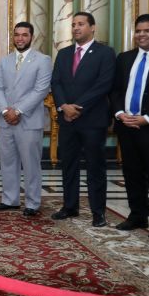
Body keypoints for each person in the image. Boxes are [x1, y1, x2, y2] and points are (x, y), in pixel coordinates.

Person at [111, 14, 149, 241]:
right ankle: (138, 215)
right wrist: (119, 113)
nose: (141, 35)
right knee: (132, 173)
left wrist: (147, 118)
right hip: (126, 125)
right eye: (138, 31)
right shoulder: (125, 58)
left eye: (147, 31)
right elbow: (115, 90)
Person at [50, 12, 115, 227]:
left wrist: (78, 106)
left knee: (95, 166)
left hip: (92, 120)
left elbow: (103, 84)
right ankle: (70, 206)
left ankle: (98, 212)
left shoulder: (105, 53)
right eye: (74, 25)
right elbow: (56, 82)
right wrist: (63, 106)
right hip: (67, 119)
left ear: (92, 27)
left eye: (81, 24)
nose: (76, 28)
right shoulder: (64, 53)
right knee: (68, 164)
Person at [0, 22, 51, 217]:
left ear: (31, 37)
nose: (20, 38)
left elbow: (40, 90)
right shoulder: (4, 61)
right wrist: (4, 111)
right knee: (7, 162)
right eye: (17, 35)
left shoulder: (43, 60)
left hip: (28, 120)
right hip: (5, 120)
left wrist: (17, 111)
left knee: (30, 163)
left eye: (24, 35)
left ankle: (32, 202)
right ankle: (10, 199)